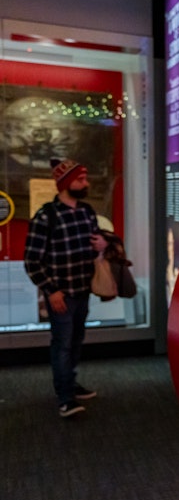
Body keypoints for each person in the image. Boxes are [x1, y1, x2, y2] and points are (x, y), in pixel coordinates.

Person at [24, 158, 107, 418]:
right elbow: (32, 260)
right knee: (62, 344)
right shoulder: (46, 216)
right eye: (81, 179)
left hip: (82, 289)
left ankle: (70, 383)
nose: (86, 183)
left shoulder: (87, 212)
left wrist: (101, 245)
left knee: (76, 341)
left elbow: (97, 245)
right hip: (61, 293)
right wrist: (51, 290)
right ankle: (65, 397)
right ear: (65, 183)